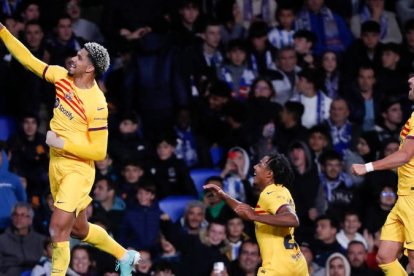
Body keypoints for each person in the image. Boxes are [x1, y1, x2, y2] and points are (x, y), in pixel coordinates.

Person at [0, 22, 140, 275]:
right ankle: (124, 255)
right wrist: (2, 32)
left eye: (80, 57)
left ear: (90, 68)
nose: (73, 59)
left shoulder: (97, 104)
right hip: (57, 165)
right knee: (79, 230)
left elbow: (99, 152)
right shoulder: (61, 76)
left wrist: (61, 143)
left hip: (78, 170)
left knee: (57, 227)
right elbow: (29, 60)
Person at [204, 153, 308, 275]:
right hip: (296, 263)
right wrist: (223, 195)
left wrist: (255, 216)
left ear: (269, 173)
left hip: (277, 268)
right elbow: (246, 211)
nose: (254, 167)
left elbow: (292, 219)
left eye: (260, 164)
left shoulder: (270, 194)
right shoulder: (282, 191)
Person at [351, 75, 414, 275]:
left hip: (413, 199)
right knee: (385, 257)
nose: (410, 80)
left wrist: (367, 167)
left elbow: (405, 155)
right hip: (403, 197)